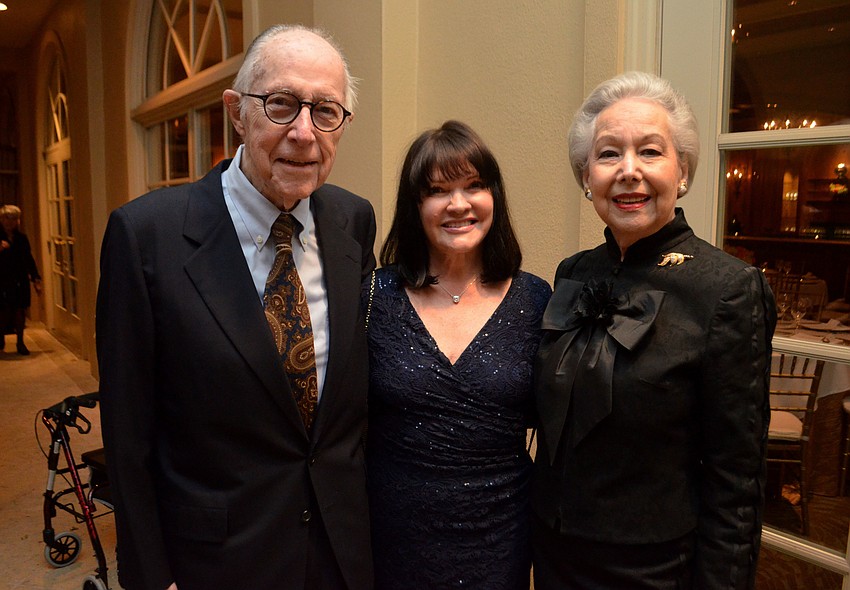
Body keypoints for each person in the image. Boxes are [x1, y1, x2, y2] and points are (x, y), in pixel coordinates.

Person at [96, 25, 376, 590]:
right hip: (216, 562)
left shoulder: (354, 220)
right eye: (281, 104)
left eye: (326, 111)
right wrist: (152, 576)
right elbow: (128, 437)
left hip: (340, 555)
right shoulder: (146, 237)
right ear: (237, 113)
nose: (304, 133)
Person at [532, 72, 776, 589]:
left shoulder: (727, 289)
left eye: (650, 151)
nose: (629, 171)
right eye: (608, 154)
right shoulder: (573, 272)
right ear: (586, 176)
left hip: (654, 570)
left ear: (681, 170)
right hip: (554, 557)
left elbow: (736, 479)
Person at [365, 120, 552, 589]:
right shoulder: (374, 296)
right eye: (437, 190)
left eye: (474, 186)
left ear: (494, 196)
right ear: (415, 205)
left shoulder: (535, 299)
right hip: (393, 533)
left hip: (501, 535)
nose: (458, 204)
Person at [0, 205, 42, 355]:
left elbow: (28, 259)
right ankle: (0, 338)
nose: (9, 222)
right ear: (1, 219)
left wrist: (36, 278)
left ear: (18, 221)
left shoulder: (22, 238)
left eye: (13, 218)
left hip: (19, 279)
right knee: (3, 310)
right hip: (2, 279)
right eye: (6, 218)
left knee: (20, 310)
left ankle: (20, 342)